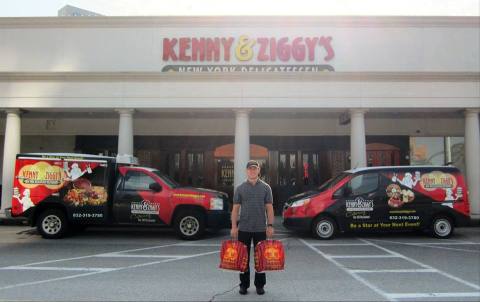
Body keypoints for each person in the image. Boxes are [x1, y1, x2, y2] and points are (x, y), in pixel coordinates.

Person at [230, 160, 274, 295]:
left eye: (254, 168)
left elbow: (269, 208)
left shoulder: (266, 188)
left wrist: (270, 225)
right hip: (244, 228)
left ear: (258, 170)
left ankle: (260, 286)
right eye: (250, 169)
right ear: (246, 171)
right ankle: (243, 285)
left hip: (261, 229)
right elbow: (235, 209)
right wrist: (233, 227)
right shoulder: (240, 188)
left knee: (260, 259)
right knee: (243, 259)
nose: (252, 171)